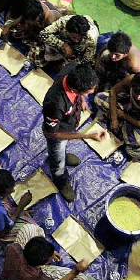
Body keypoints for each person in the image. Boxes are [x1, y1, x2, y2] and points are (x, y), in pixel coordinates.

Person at [42, 64, 106, 202]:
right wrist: (86, 135)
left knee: (62, 149)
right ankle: (60, 180)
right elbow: (52, 134)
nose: (89, 94)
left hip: (69, 122)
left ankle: (63, 155)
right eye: (87, 93)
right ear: (75, 89)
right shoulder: (55, 103)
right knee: (57, 156)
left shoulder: (74, 70)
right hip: (58, 133)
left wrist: (82, 99)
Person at [1, 223, 93, 280]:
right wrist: (76, 270)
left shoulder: (13, 248)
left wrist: (49, 253)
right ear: (41, 265)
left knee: (29, 228)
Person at [97, 71, 140, 156]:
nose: (138, 97)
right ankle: (119, 125)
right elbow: (113, 92)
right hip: (127, 103)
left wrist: (123, 116)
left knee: (136, 141)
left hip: (139, 117)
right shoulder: (130, 79)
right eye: (136, 93)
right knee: (98, 98)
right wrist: (114, 119)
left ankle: (118, 123)